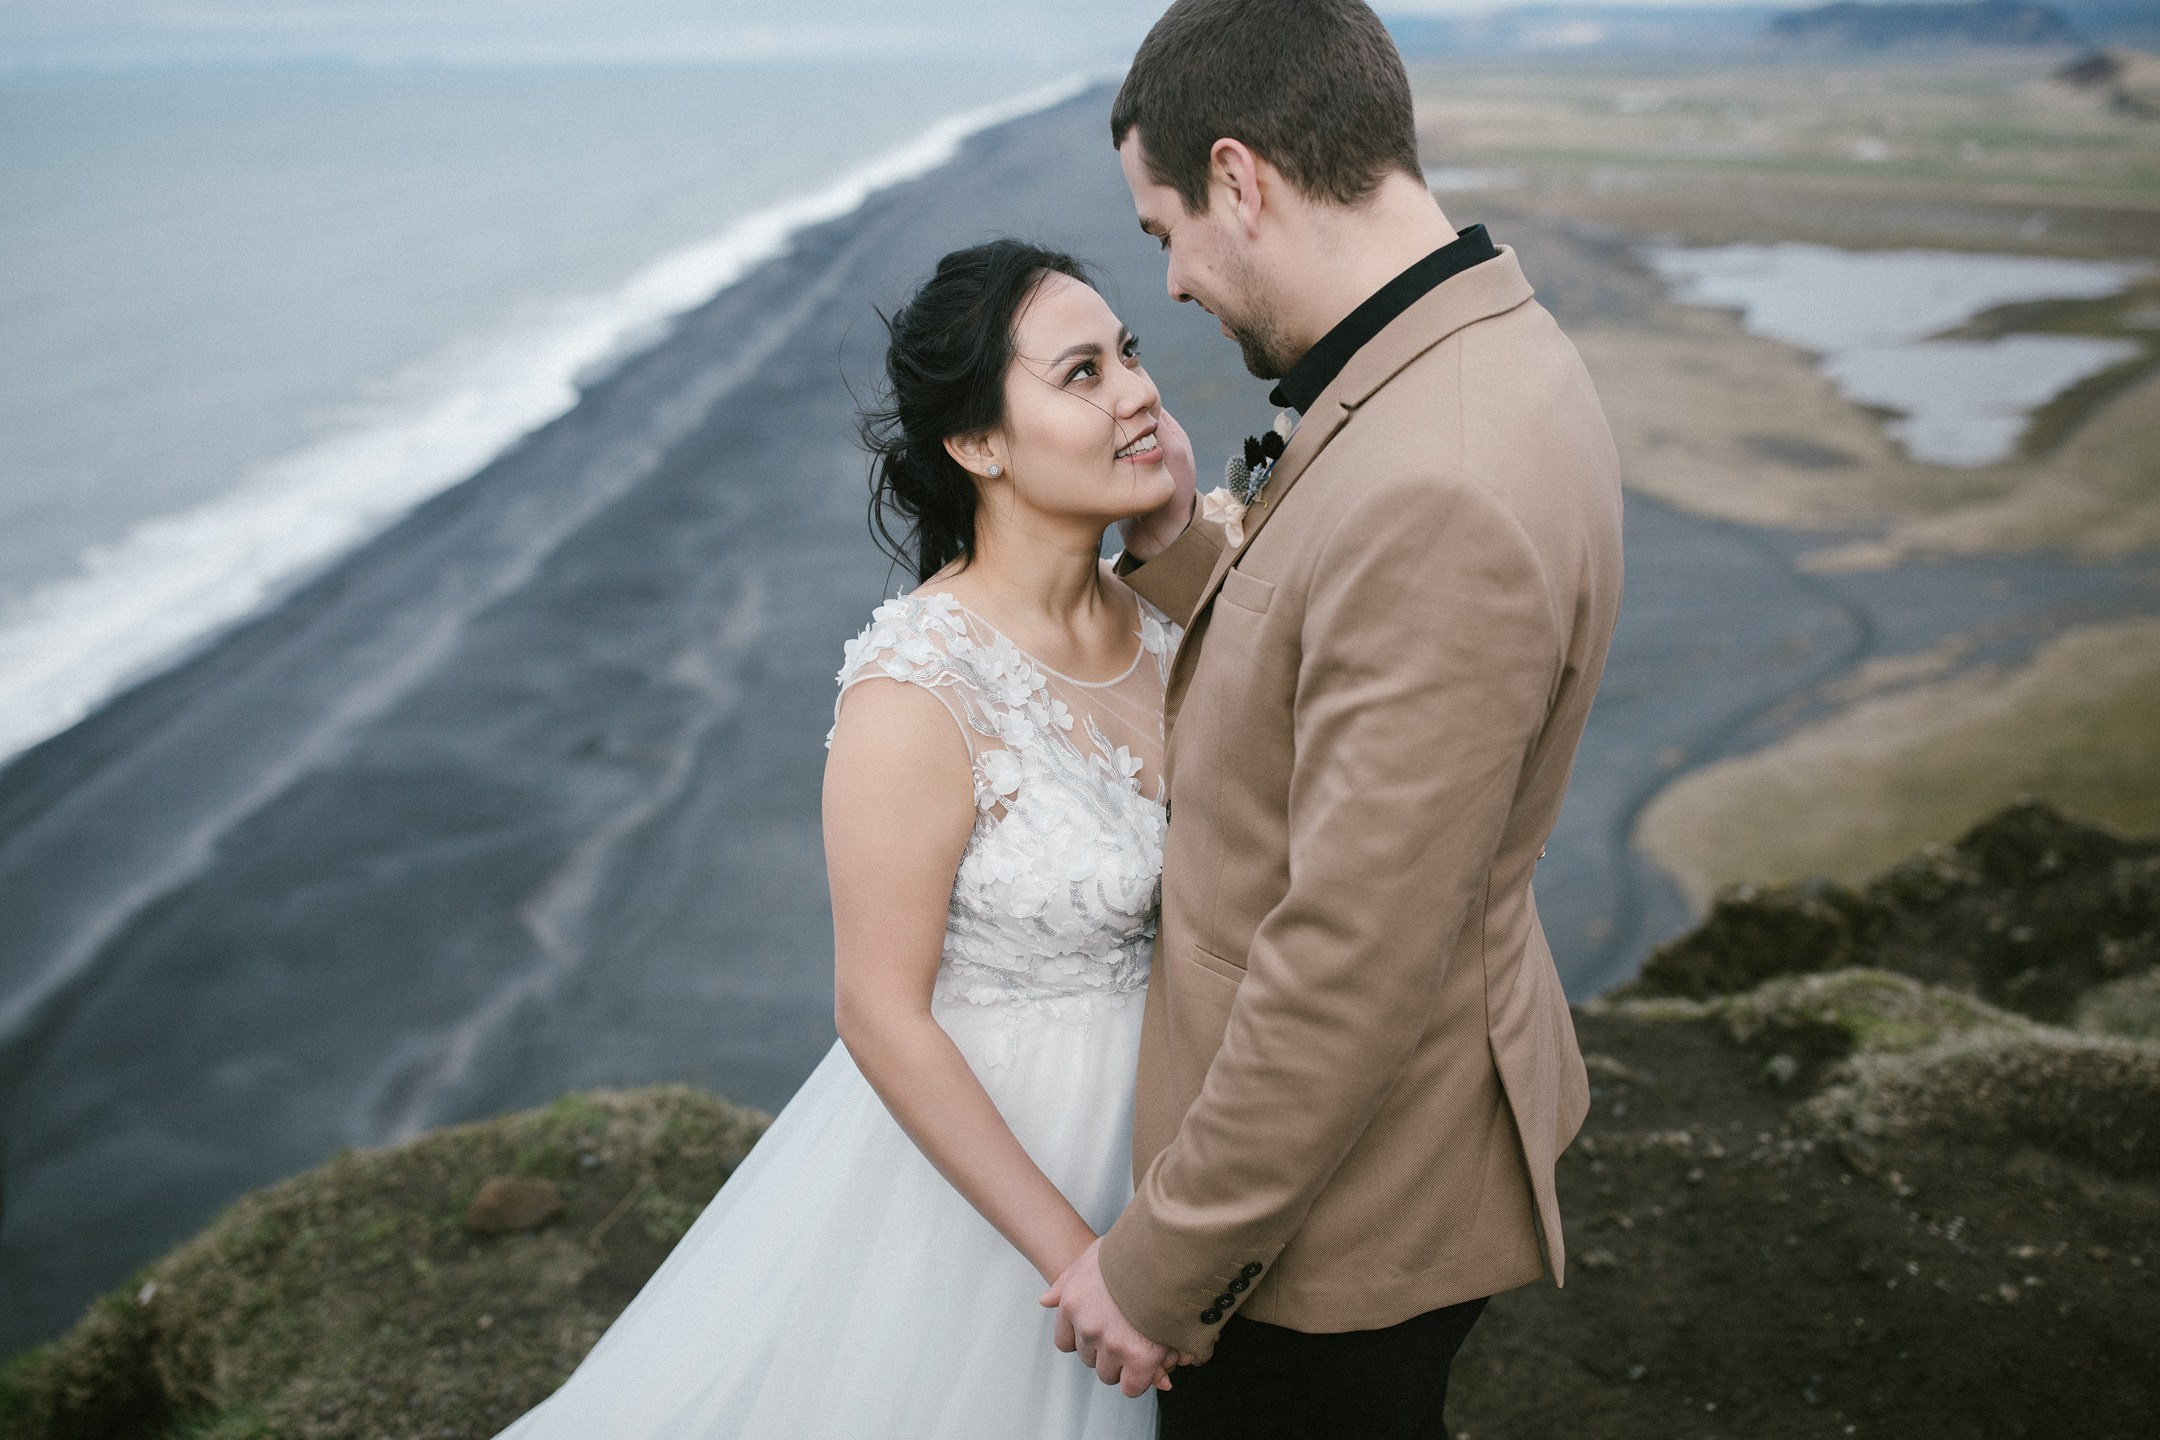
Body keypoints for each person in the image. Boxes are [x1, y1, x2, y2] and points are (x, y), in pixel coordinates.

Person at [490, 239, 1202, 1438]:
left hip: (1165, 1151)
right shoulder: (917, 685)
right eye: (1080, 372)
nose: (1135, 389)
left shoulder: (1173, 628)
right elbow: (878, 1008)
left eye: (1128, 353)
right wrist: (1078, 1255)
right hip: (1002, 1190)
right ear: (978, 446)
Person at [1038, 3, 1626, 1437]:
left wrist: (1164, 1267)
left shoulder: (1445, 478)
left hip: (1338, 1232)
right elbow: (1341, 638)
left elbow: (1351, 954)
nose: (1170, 284)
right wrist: (1184, 544)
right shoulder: (1463, 344)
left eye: (1165, 226)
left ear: (1241, 177)